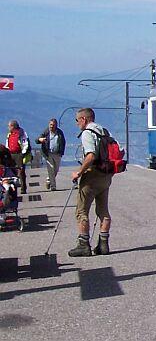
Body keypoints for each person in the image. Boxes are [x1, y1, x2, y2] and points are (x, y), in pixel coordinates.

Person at [69, 108, 114, 257]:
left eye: (77, 120)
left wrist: (79, 172)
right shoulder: (104, 131)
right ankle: (103, 244)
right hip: (106, 176)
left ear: (84, 119)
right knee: (103, 211)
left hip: (92, 175)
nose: (77, 124)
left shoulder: (88, 133)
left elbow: (90, 156)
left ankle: (83, 245)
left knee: (81, 211)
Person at [38, 118, 66, 191]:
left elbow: (63, 142)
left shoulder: (59, 132)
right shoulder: (46, 132)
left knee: (55, 170)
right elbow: (37, 139)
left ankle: (49, 180)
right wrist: (40, 139)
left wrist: (61, 152)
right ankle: (53, 186)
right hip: (48, 153)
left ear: (56, 125)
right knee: (51, 169)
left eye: (53, 125)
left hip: (57, 154)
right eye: (50, 125)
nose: (51, 126)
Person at [6, 121, 29, 194]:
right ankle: (13, 189)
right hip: (11, 154)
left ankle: (23, 188)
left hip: (19, 154)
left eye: (9, 126)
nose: (8, 128)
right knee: (11, 172)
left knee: (21, 171)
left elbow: (25, 143)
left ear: (13, 126)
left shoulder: (21, 133)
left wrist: (23, 153)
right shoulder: (9, 134)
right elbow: (7, 143)